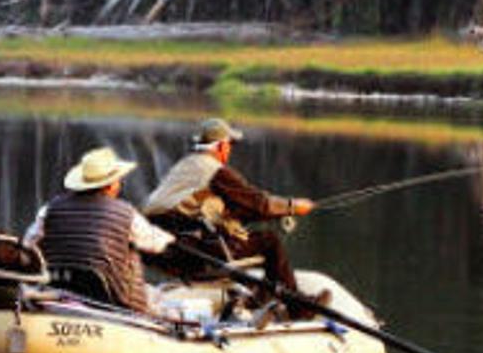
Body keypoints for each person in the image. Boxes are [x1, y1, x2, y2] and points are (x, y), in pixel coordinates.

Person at [143, 118, 313, 293]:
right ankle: (295, 306)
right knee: (269, 241)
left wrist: (275, 212)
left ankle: (260, 297)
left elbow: (242, 208)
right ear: (222, 146)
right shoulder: (215, 171)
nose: (230, 150)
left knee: (234, 237)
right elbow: (258, 203)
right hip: (191, 251)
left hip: (160, 249)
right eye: (230, 145)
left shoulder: (185, 166)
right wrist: (293, 206)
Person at [24, 145, 174, 315]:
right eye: (117, 180)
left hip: (59, 287)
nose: (119, 184)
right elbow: (156, 244)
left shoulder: (49, 209)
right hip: (112, 297)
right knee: (157, 295)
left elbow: (29, 245)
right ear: (110, 185)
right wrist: (172, 238)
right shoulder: (126, 213)